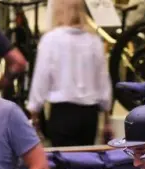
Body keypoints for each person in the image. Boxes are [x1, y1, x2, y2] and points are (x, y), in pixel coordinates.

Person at [25, 0, 112, 146]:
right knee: (86, 163)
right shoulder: (94, 41)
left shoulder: (50, 40)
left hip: (62, 114)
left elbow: (41, 80)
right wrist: (107, 121)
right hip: (89, 116)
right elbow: (103, 83)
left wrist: (34, 115)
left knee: (64, 162)